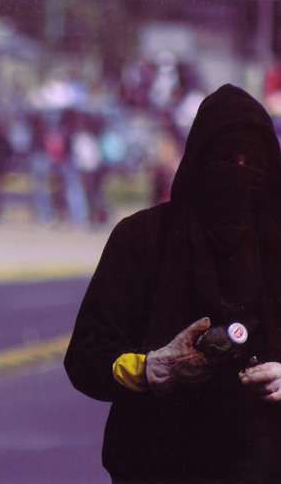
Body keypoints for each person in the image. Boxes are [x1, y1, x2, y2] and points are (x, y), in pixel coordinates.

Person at [64, 84, 281, 482]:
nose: (239, 171)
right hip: (156, 463)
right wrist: (152, 368)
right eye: (225, 158)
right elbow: (84, 356)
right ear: (198, 161)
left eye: (253, 161)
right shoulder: (144, 239)